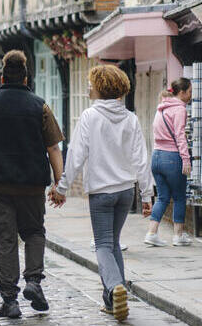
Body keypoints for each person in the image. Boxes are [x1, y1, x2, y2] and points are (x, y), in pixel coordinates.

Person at [49, 65, 153, 321]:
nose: (88, 87)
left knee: (103, 244)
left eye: (91, 83)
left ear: (101, 87)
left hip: (101, 193)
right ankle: (111, 300)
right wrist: (148, 195)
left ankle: (116, 286)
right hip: (125, 192)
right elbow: (141, 158)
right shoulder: (131, 118)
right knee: (113, 243)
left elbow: (75, 156)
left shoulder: (90, 116)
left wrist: (61, 187)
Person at [0, 50, 64, 319]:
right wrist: (59, 183)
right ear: (26, 78)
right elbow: (53, 148)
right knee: (34, 232)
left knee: (6, 240)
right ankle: (33, 282)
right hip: (32, 185)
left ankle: (10, 301)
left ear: (2, 76)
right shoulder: (40, 106)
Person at [144, 78, 193, 247]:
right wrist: (186, 159)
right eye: (190, 91)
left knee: (162, 197)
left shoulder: (161, 108)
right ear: (182, 92)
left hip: (156, 156)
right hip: (172, 158)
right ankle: (178, 236)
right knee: (179, 197)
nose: (190, 95)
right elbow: (180, 136)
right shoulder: (179, 109)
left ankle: (151, 233)